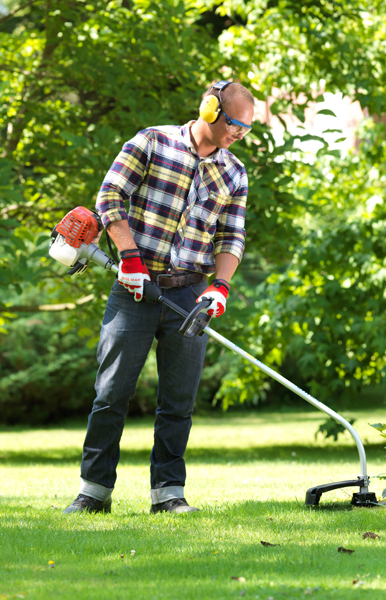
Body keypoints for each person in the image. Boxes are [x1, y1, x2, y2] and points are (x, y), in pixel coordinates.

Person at [64, 80, 255, 514]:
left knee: (179, 401)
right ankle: (94, 492)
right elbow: (110, 196)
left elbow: (232, 236)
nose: (238, 133)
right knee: (111, 393)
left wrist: (219, 288)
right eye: (234, 123)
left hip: (189, 293)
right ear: (210, 109)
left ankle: (168, 492)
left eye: (246, 128)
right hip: (133, 286)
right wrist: (128, 257)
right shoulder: (151, 142)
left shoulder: (234, 173)